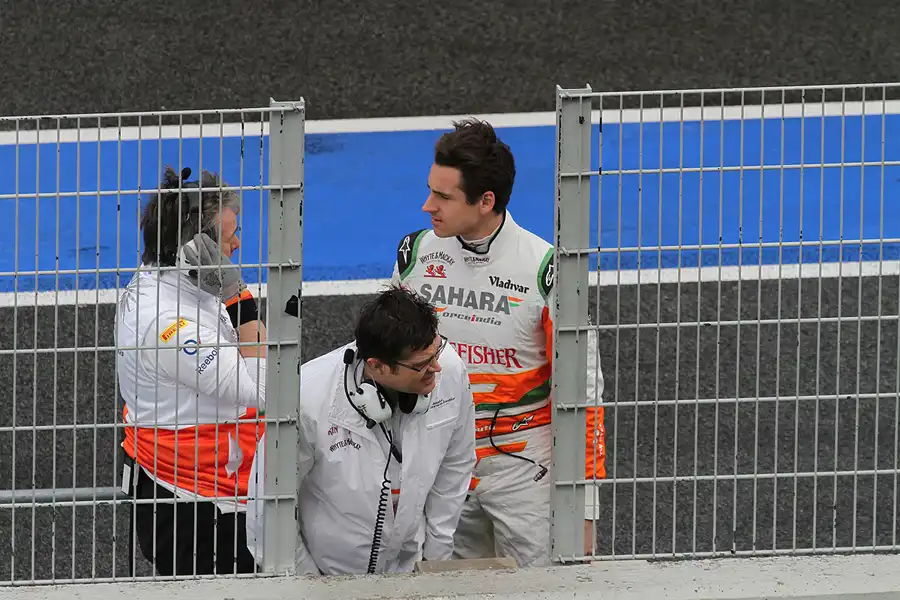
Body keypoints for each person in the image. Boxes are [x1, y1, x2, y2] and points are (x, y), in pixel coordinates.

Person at [390, 118, 606, 568]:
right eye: (431, 190)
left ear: (486, 200)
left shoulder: (547, 271)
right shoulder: (415, 257)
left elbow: (583, 395)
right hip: (442, 462)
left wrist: (583, 509)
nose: (427, 205)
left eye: (443, 197)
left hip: (527, 471)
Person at [244, 285, 476, 575]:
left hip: (411, 571)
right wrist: (305, 585)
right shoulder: (308, 399)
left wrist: (436, 559)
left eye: (437, 351)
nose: (437, 368)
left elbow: (456, 464)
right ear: (377, 366)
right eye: (422, 365)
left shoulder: (450, 372)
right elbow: (267, 507)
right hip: (325, 579)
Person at [115, 165, 267, 576]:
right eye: (228, 234)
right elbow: (270, 389)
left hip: (200, 490)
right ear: (192, 248)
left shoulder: (172, 283)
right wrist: (241, 298)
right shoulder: (169, 325)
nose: (237, 242)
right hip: (199, 506)